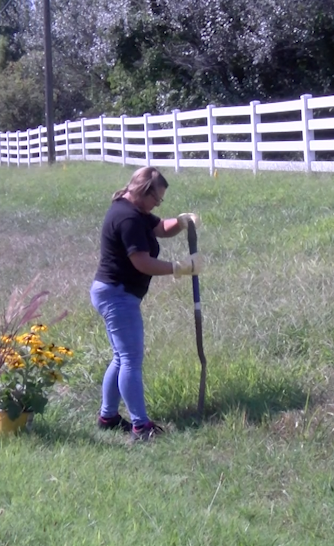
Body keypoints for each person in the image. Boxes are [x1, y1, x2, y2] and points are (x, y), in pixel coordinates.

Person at [90, 166, 203, 441]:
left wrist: (181, 222)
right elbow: (142, 262)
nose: (158, 204)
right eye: (157, 199)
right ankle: (141, 427)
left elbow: (160, 228)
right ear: (143, 191)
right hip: (117, 295)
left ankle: (108, 417)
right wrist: (179, 267)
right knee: (130, 359)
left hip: (114, 292)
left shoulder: (136, 211)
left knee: (121, 357)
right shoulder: (126, 218)